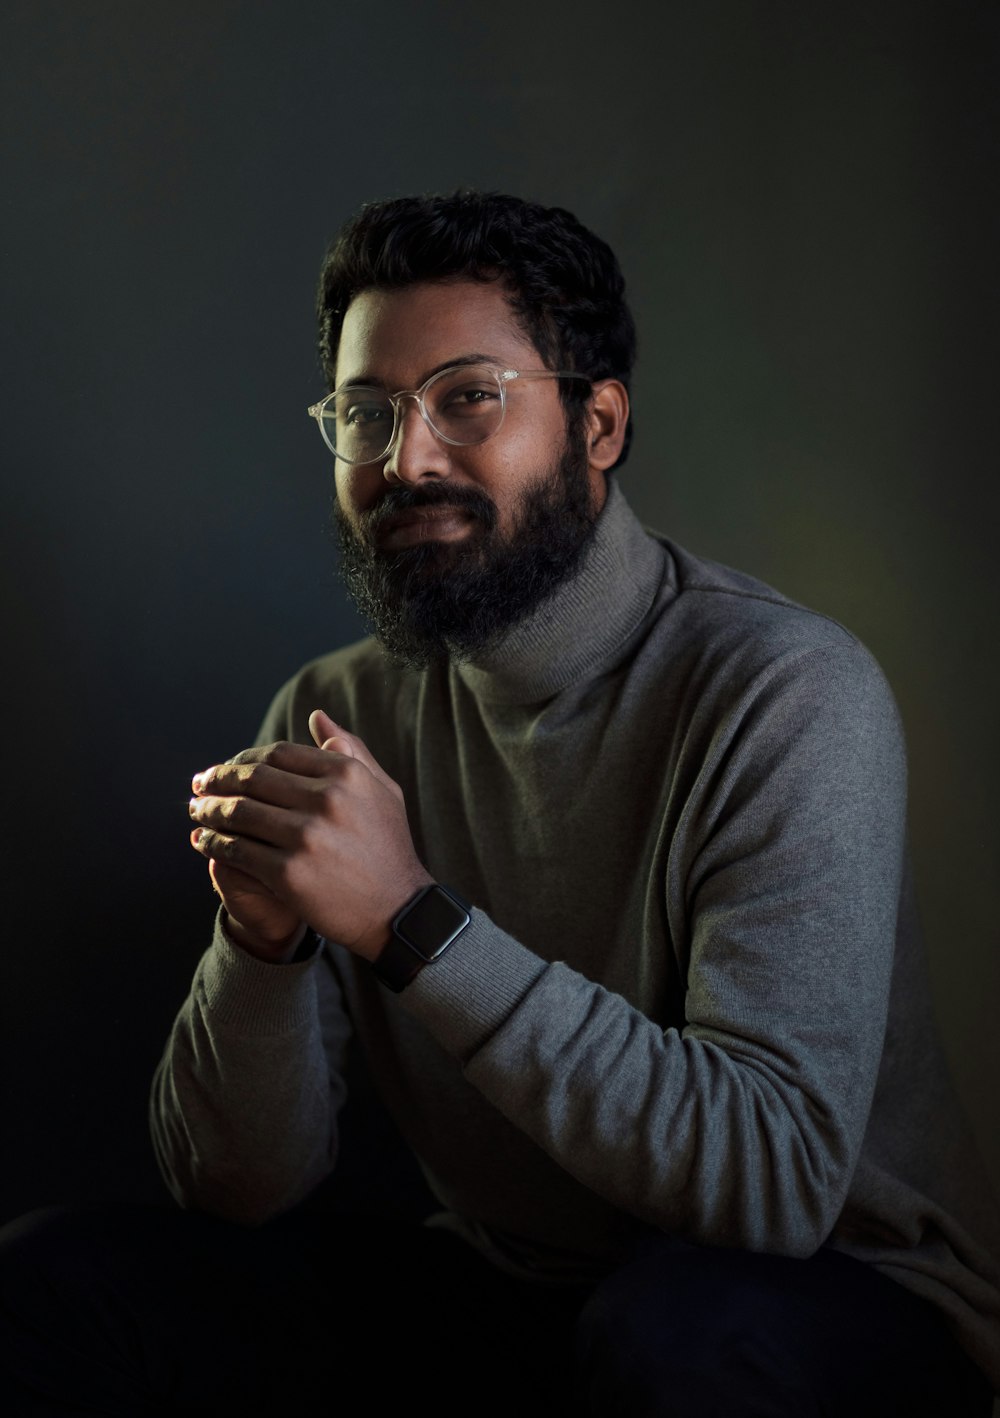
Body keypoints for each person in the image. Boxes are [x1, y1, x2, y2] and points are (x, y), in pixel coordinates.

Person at [2, 192, 998, 1416]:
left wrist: (410, 920)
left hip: (830, 1300)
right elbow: (233, 1189)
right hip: (511, 1287)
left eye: (468, 397)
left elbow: (773, 1184)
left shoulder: (788, 693)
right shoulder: (328, 711)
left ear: (599, 422)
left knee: (676, 1338)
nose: (406, 458)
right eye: (364, 413)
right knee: (55, 1276)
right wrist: (260, 940)